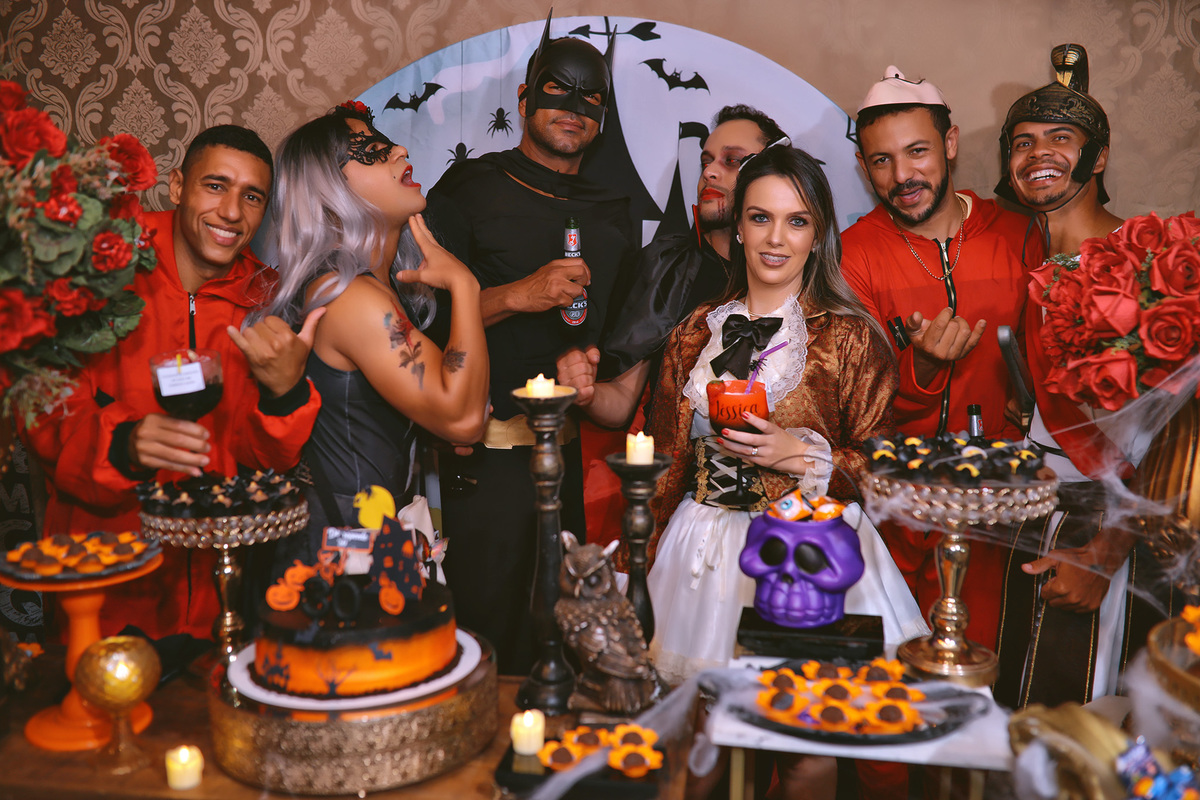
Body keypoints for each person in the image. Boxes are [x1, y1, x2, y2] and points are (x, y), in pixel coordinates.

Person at [21, 125, 323, 640]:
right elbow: (43, 412)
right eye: (215, 186)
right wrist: (123, 443)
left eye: (252, 196)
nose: (232, 212)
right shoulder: (99, 272)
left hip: (218, 589)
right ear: (178, 186)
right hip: (107, 578)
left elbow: (264, 460)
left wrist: (285, 392)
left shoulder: (266, 299)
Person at [645, 145, 900, 682]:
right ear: (738, 227)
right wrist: (636, 561)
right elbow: (664, 463)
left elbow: (885, 468)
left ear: (818, 234)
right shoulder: (693, 333)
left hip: (807, 555)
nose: (776, 238)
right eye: (760, 218)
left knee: (802, 717)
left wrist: (803, 457)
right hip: (699, 554)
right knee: (698, 718)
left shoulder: (849, 337)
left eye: (797, 221)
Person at [426, 21, 635, 674]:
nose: (574, 108)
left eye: (591, 98)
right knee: (482, 644)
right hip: (484, 461)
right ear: (523, 99)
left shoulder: (613, 209)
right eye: (557, 90)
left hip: (567, 458)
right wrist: (518, 294)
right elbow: (423, 323)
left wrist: (593, 367)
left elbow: (616, 337)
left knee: (556, 643)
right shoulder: (469, 188)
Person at [840, 67, 1043, 651]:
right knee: (889, 674)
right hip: (893, 510)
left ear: (949, 144)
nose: (902, 176)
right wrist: (922, 368)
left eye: (917, 151)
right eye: (881, 160)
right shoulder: (853, 254)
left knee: (978, 668)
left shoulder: (1019, 234)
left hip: (995, 506)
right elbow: (854, 405)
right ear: (864, 168)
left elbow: (1048, 373)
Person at [991, 44, 1162, 708]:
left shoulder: (1144, 259)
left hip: (1111, 531)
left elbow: (1177, 432)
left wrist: (1107, 553)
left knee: (1087, 728)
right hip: (1039, 514)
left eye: (1060, 138)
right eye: (1023, 142)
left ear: (1099, 156)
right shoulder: (1033, 261)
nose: (1039, 153)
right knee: (1025, 719)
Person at [257, 103, 489, 561]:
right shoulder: (353, 298)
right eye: (371, 150)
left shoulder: (368, 290)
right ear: (330, 186)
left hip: (367, 536)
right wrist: (465, 286)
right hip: (339, 557)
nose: (399, 150)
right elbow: (465, 419)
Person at [557, 105, 788, 431]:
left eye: (732, 160)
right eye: (706, 162)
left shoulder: (800, 273)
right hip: (675, 460)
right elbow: (621, 402)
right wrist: (587, 393)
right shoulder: (667, 267)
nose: (709, 172)